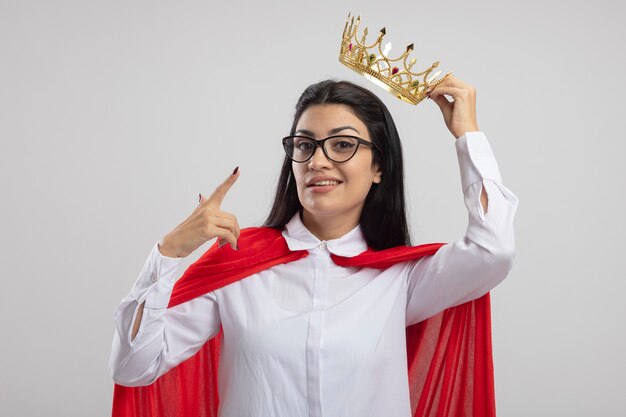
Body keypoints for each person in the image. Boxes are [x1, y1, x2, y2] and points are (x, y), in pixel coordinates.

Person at [109, 76, 518, 417]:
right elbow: (133, 366)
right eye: (304, 145)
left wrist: (468, 135)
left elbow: (493, 251)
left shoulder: (403, 279)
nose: (317, 161)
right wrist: (167, 254)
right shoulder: (239, 264)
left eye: (342, 145)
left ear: (378, 167)